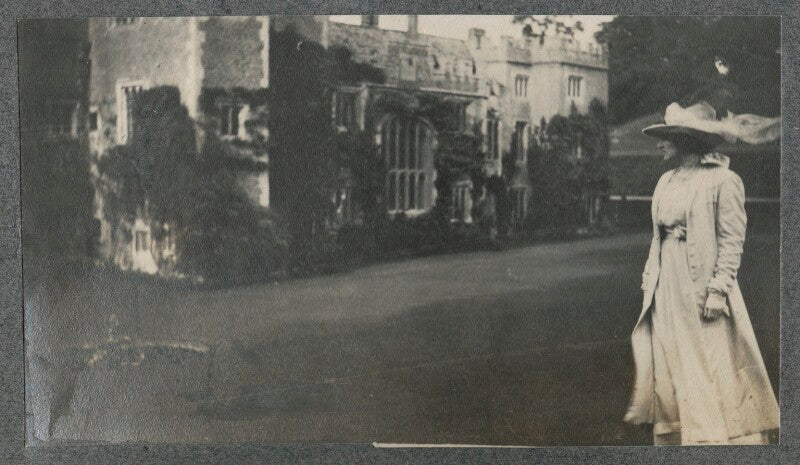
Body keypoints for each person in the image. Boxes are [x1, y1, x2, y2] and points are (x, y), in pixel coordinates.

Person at [623, 102, 780, 445]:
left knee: (708, 362)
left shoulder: (724, 180)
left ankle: (712, 441)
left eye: (666, 137)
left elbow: (732, 239)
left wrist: (718, 290)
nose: (659, 143)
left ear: (685, 139)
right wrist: (652, 279)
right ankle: (679, 437)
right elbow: (658, 237)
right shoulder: (666, 180)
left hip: (703, 290)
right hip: (668, 288)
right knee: (671, 359)